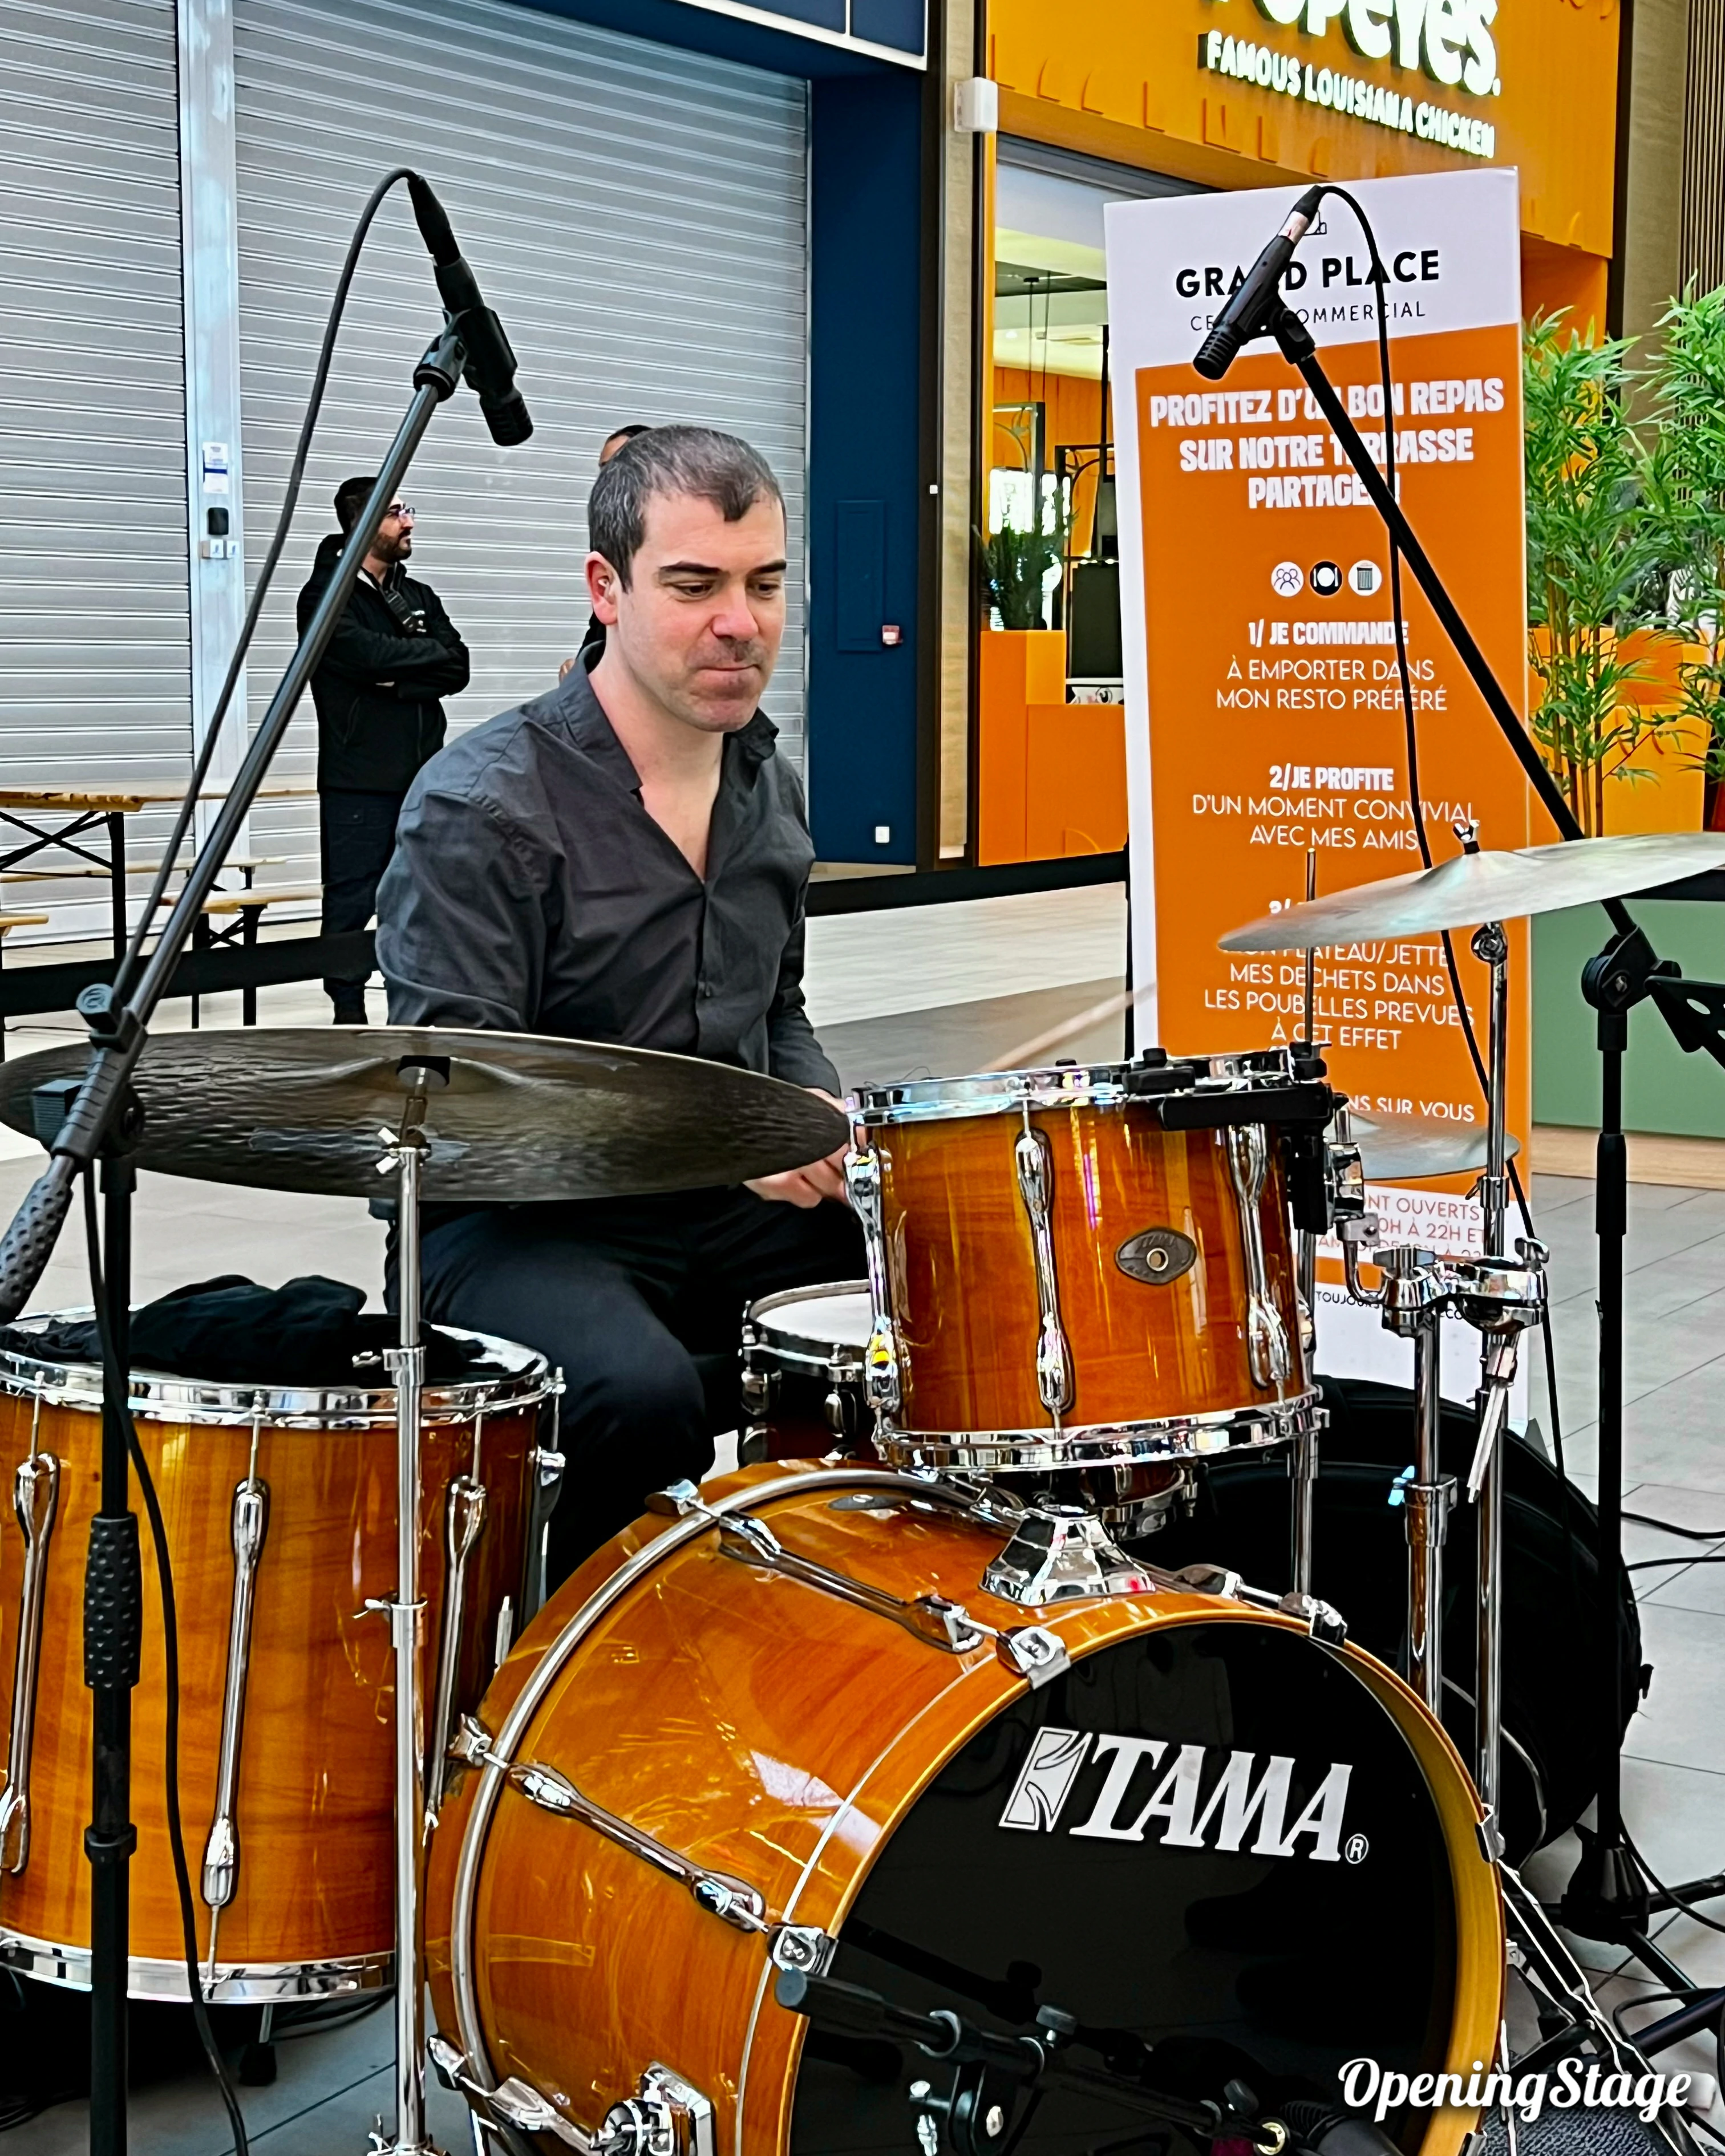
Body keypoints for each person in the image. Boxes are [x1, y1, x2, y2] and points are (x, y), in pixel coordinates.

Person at [376, 426, 859, 1583]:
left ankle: (850, 1645)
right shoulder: (481, 808)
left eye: (764, 584)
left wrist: (815, 1108)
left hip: (713, 1194)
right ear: (608, 587)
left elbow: (776, 1008)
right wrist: (723, 1136)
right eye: (694, 586)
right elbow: (469, 1109)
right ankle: (587, 1700)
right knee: (638, 1395)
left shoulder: (766, 783)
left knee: (936, 1309)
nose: (739, 622)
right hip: (513, 1221)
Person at [300, 479, 470, 1024]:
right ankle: (347, 1014)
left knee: (426, 898)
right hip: (359, 780)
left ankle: (419, 1009)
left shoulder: (416, 596)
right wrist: (420, 663)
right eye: (398, 512)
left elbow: (457, 666)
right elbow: (360, 654)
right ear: (363, 522)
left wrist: (399, 681)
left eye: (408, 510)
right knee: (352, 901)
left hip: (423, 775)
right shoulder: (327, 596)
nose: (410, 522)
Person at [559, 423, 651, 680]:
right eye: (603, 470)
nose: (606, 480)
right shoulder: (607, 521)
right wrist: (582, 671)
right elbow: (603, 613)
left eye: (616, 466)